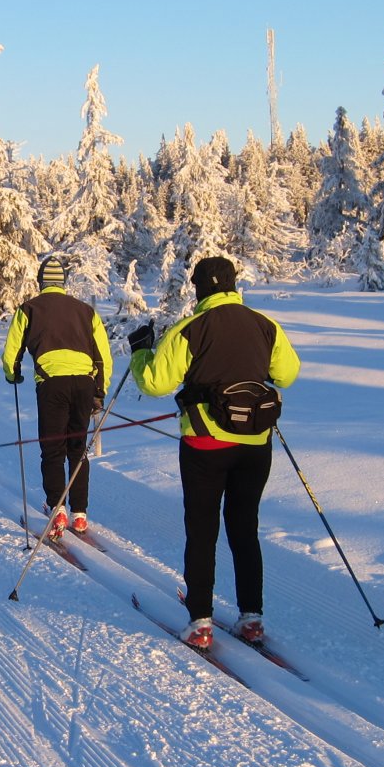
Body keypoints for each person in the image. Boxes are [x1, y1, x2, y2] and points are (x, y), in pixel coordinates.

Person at [126, 256, 300, 649]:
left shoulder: (191, 328)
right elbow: (287, 374)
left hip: (205, 443)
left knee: (202, 529)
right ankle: (251, 618)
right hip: (256, 444)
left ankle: (200, 621)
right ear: (233, 285)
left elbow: (154, 383)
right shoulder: (265, 325)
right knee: (244, 529)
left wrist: (140, 352)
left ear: (199, 288)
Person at [1, 256, 113, 536]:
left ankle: (57, 508)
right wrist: (99, 389)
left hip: (52, 384)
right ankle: (80, 513)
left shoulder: (29, 308)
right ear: (63, 282)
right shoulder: (86, 311)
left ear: (41, 282)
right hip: (84, 384)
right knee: (78, 449)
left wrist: (13, 374)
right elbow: (103, 356)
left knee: (52, 447)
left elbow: (11, 354)